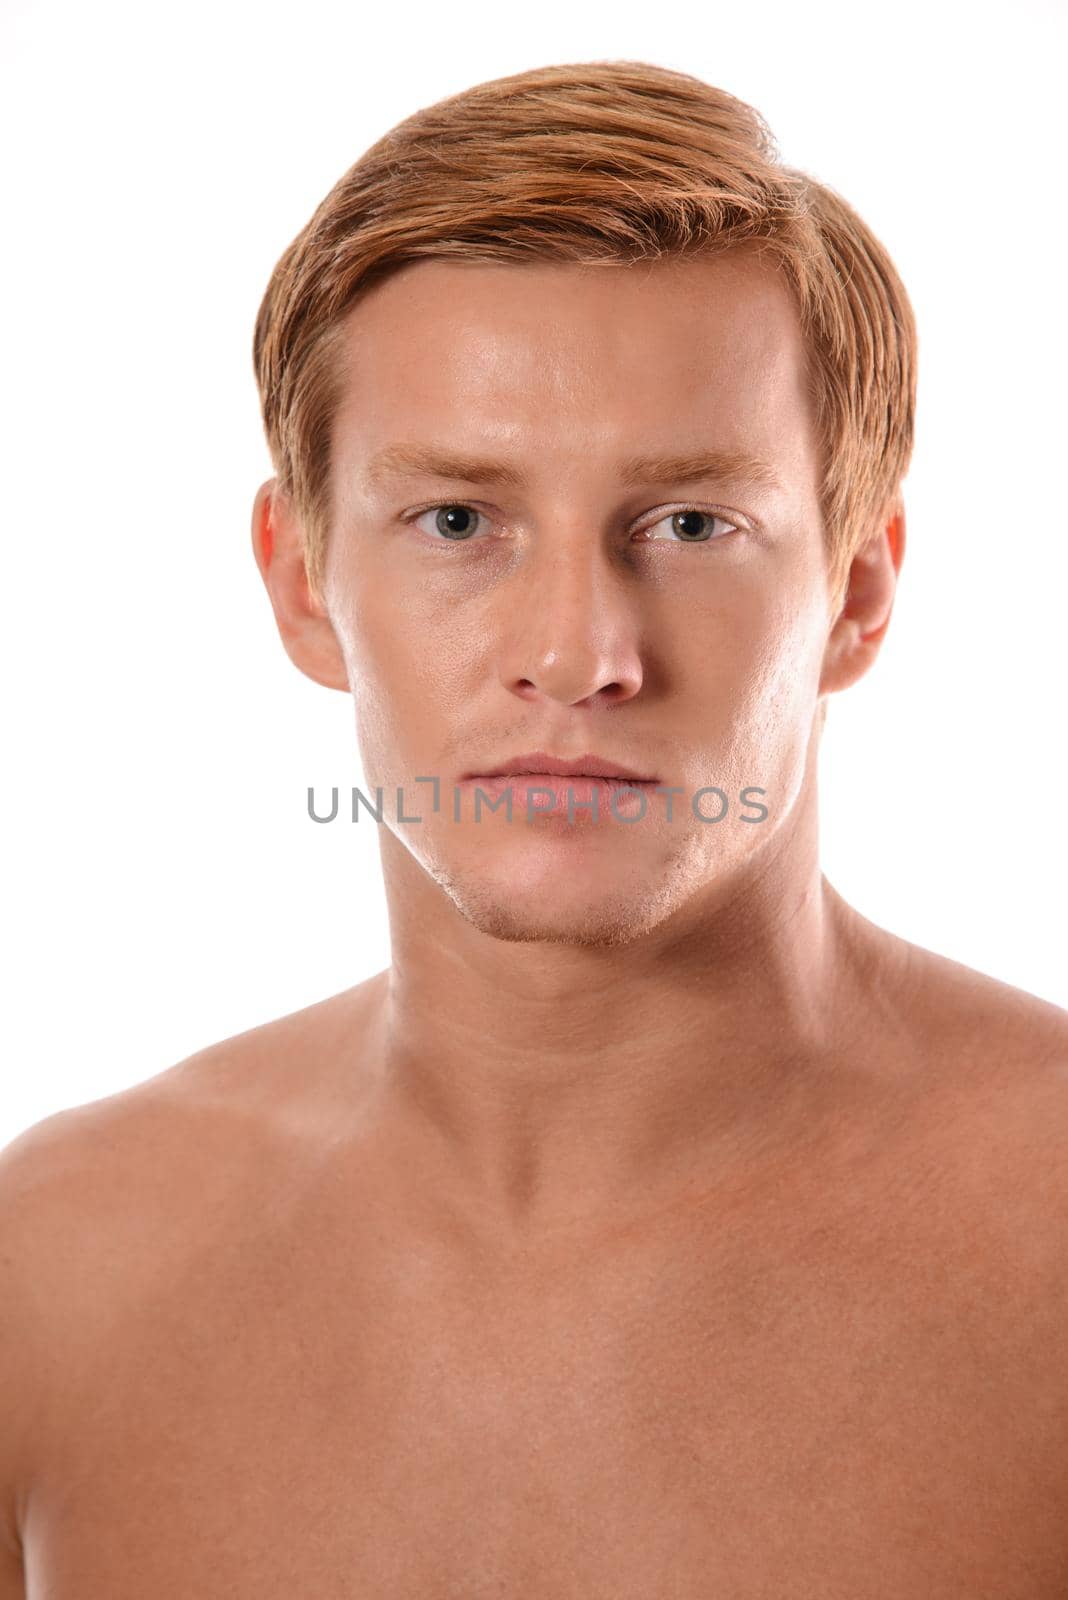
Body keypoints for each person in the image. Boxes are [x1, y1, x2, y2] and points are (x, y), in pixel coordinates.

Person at [2, 57, 1067, 1598]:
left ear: (858, 590)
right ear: (302, 581)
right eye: (458, 521)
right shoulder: (61, 1269)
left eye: (691, 525)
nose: (577, 653)